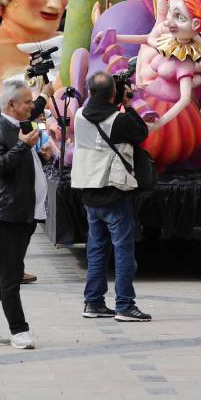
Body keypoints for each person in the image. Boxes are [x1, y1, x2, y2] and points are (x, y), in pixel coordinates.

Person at [0, 76, 51, 349]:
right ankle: (19, 330)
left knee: (6, 270)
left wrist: (37, 152)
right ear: (12, 104)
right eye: (28, 102)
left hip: (21, 212)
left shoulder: (19, 126)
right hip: (5, 215)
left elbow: (19, 162)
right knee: (11, 275)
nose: (32, 106)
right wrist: (23, 147)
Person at [72, 71, 152, 322]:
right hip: (114, 192)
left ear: (90, 93)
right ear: (114, 94)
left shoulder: (78, 116)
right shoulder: (118, 120)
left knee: (96, 251)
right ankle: (125, 305)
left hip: (89, 192)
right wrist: (128, 105)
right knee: (123, 251)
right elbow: (142, 133)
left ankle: (93, 303)